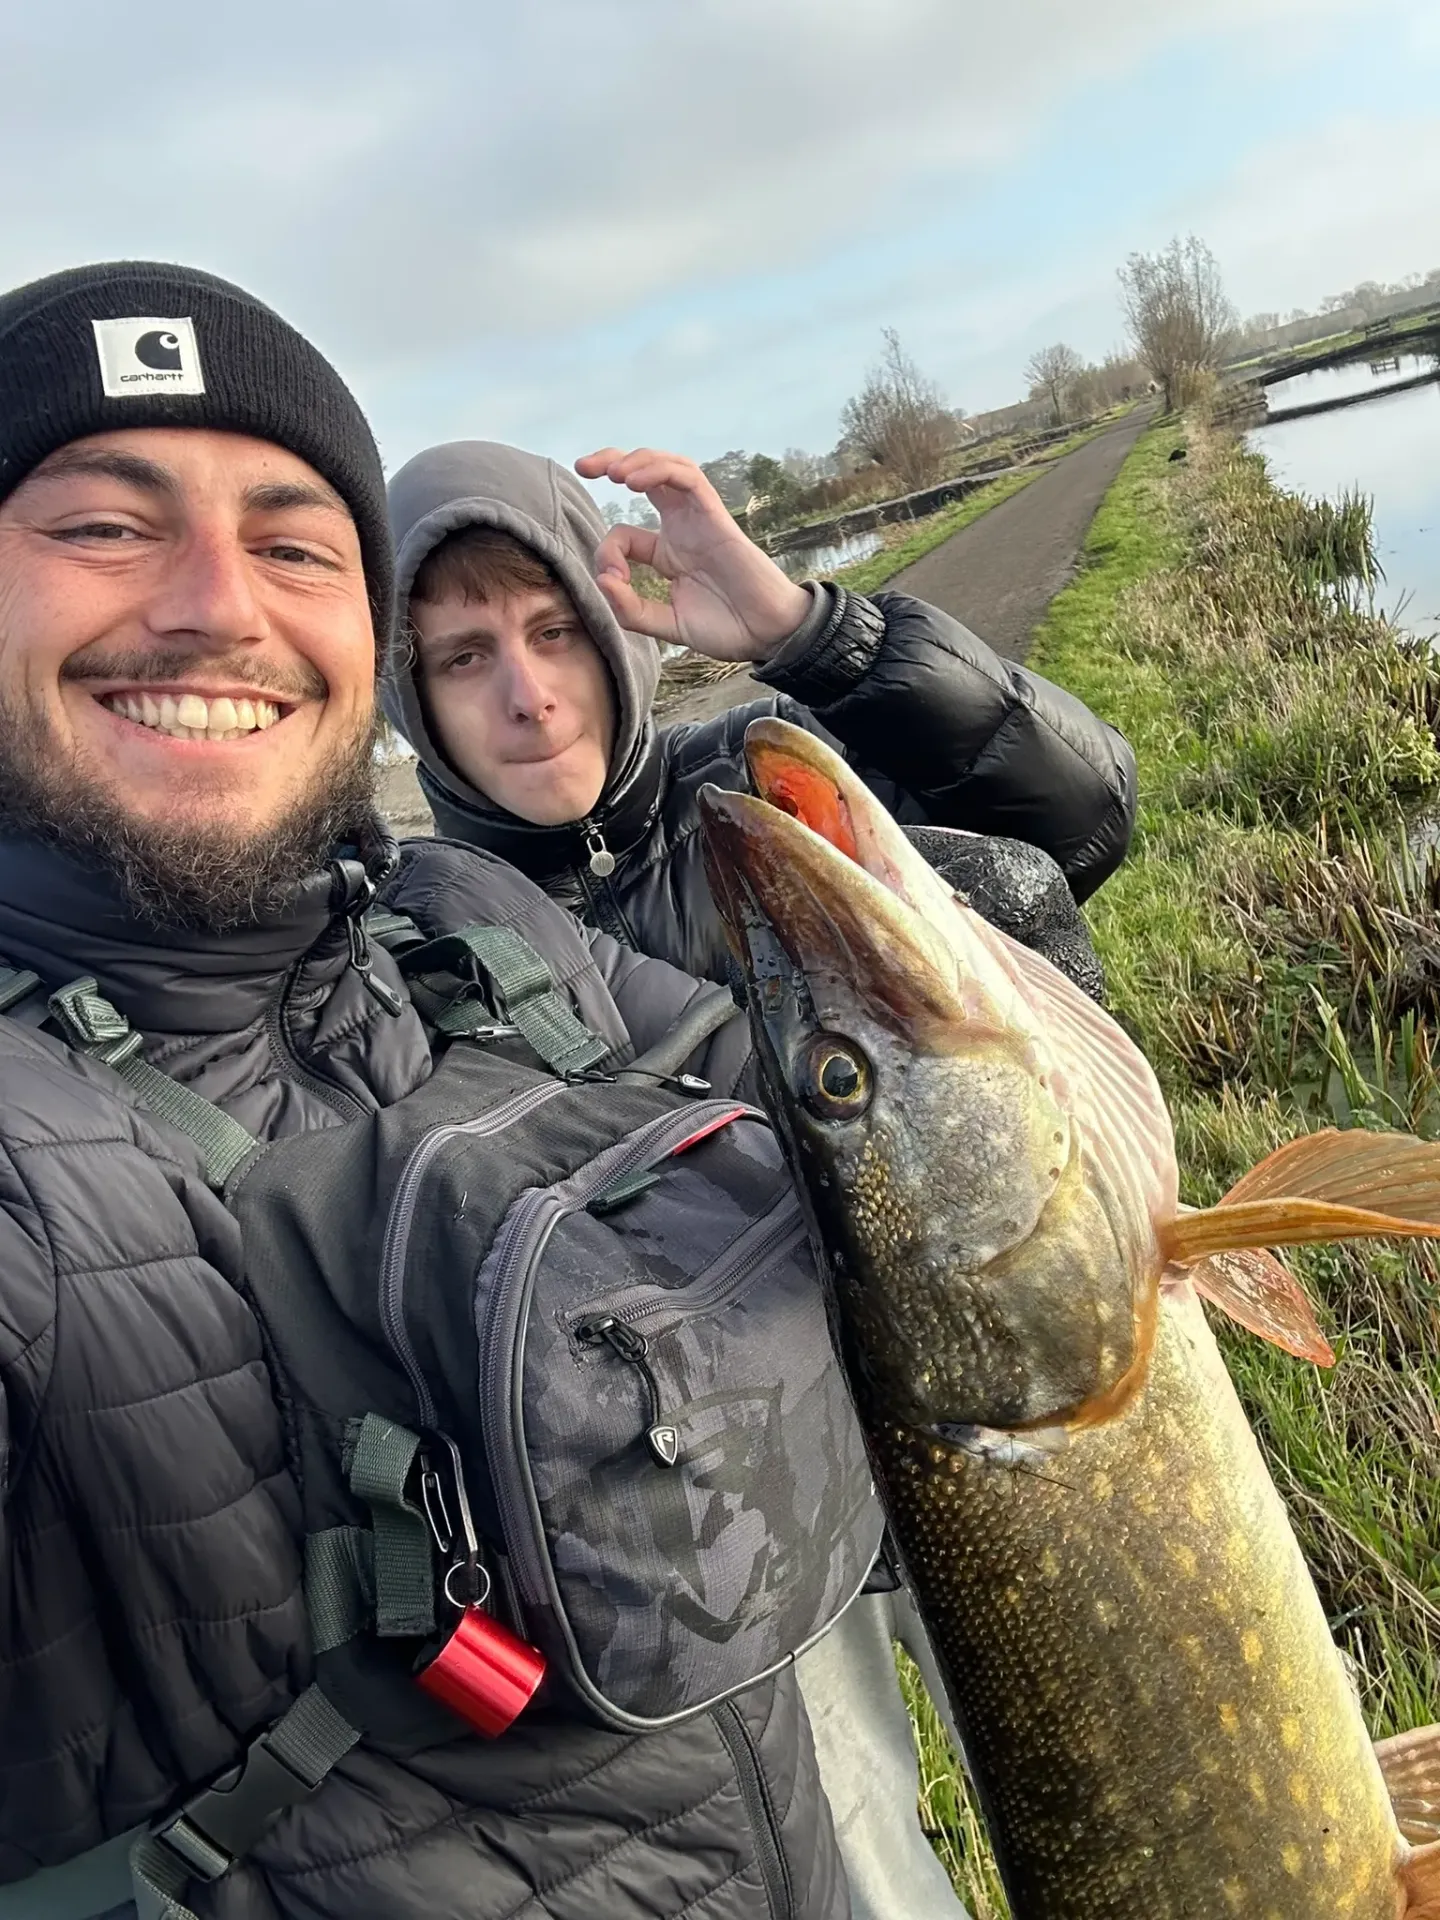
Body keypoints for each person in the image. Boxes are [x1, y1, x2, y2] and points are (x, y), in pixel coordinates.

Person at [0, 261, 857, 1920]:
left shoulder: (471, 928)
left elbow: (914, 1124)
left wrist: (830, 644)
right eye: (105, 526)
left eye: (295, 543)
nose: (217, 605)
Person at [382, 441, 1139, 1920]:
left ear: (612, 632)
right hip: (755, 1527)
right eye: (465, 657)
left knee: (1134, 1807)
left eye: (551, 634)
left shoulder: (772, 790)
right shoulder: (416, 960)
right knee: (859, 1874)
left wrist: (808, 630)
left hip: (1017, 1422)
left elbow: (1079, 819)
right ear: (408, 699)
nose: (527, 694)